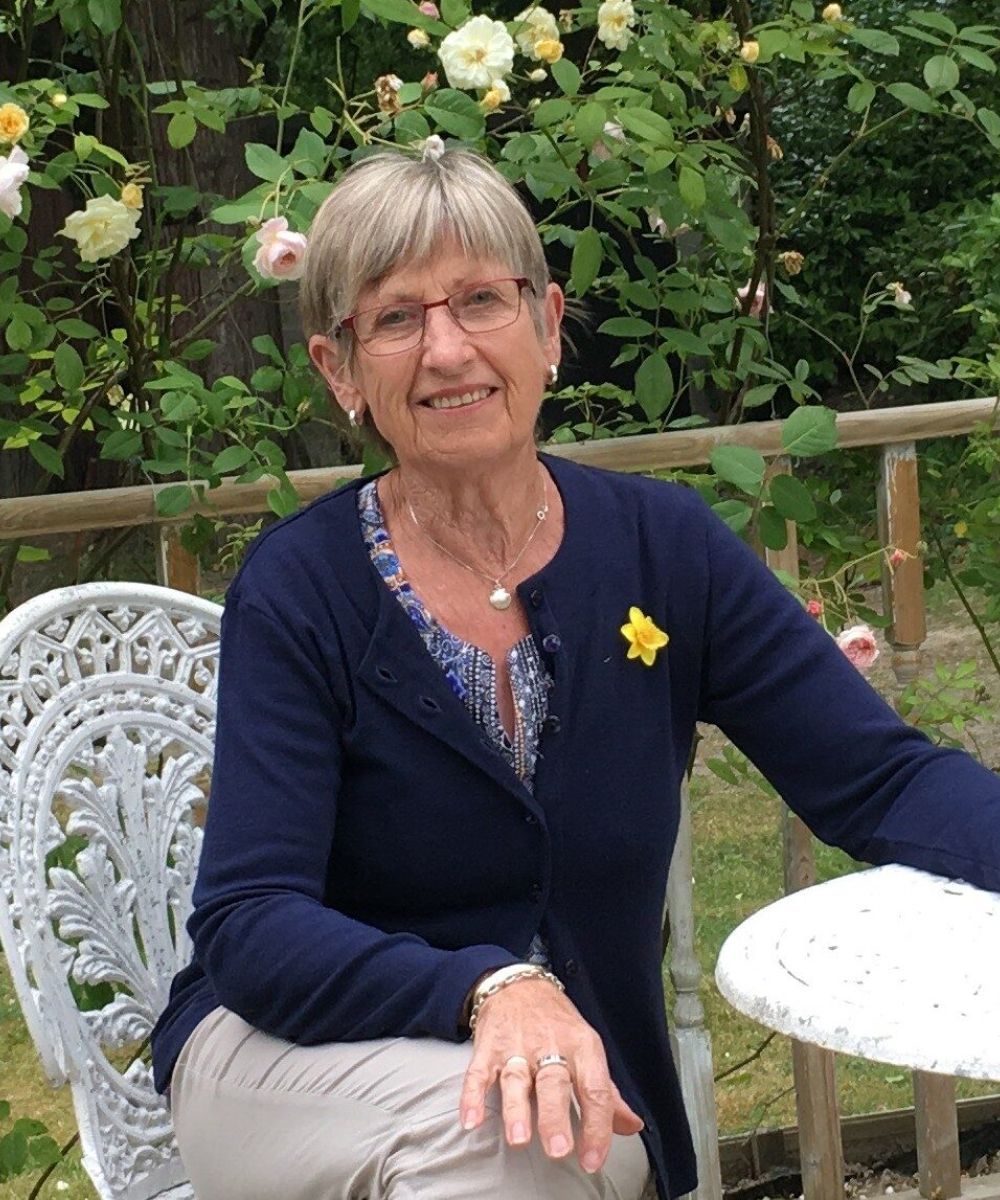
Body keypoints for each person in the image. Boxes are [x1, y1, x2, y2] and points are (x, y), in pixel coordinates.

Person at [150, 139, 1000, 1200]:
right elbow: (251, 920)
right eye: (397, 319)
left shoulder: (661, 548)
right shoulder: (300, 588)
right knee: (520, 1150)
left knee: (546, 1141)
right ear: (340, 370)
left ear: (548, 325)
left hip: (561, 1079)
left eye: (481, 300)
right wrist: (487, 987)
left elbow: (878, 778)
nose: (447, 349)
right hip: (286, 1057)